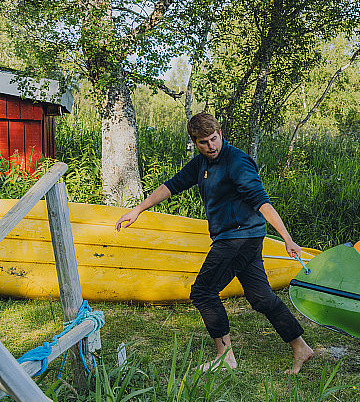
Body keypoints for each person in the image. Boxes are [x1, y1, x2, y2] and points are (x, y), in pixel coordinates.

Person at [115, 112, 314, 374]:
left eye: (214, 139)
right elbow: (172, 185)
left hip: (239, 237)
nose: (211, 146)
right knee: (261, 298)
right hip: (239, 237)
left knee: (203, 292)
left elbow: (262, 202)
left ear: (221, 134)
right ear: (194, 142)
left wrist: (287, 239)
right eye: (204, 142)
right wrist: (138, 209)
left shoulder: (238, 163)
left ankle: (225, 357)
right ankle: (301, 347)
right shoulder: (201, 164)